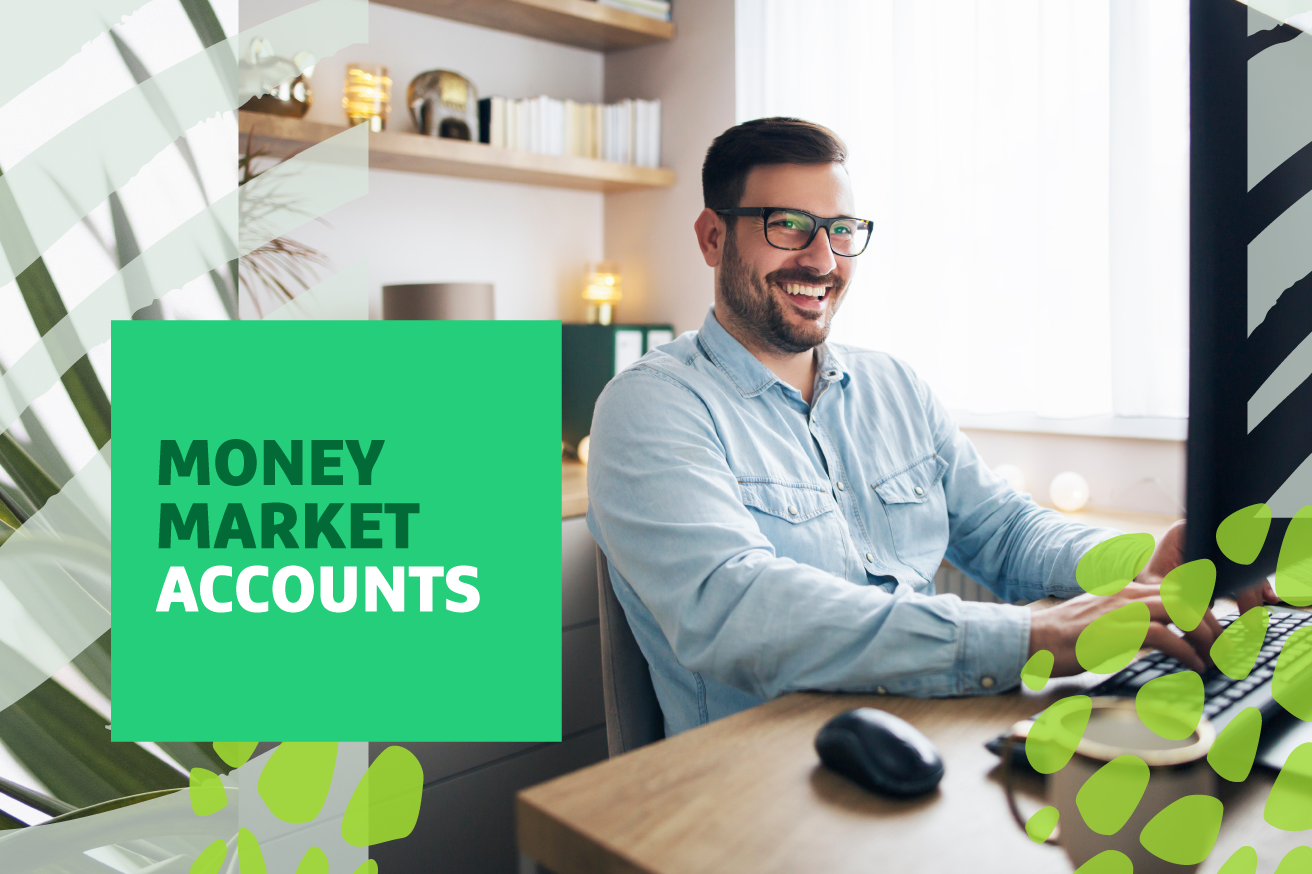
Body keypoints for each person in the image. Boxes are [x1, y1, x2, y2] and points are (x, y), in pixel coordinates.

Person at [585, 117, 1273, 737]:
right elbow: (737, 606)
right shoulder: (650, 407)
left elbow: (1005, 531)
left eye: (842, 230)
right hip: (758, 774)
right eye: (788, 225)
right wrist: (1031, 635)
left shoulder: (894, 386)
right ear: (713, 237)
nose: (824, 260)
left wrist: (1142, 567)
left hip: (932, 727)